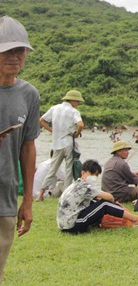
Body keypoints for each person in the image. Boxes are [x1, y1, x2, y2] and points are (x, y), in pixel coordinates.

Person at [0, 16, 39, 282]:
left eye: (20, 50)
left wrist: (27, 201)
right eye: (6, 50)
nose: (14, 57)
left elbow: (28, 148)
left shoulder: (29, 95)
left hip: (6, 198)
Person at [57, 159, 138, 233]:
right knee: (104, 205)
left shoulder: (76, 184)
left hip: (64, 225)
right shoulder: (85, 187)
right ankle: (135, 219)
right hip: (72, 226)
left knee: (96, 202)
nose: (94, 178)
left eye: (96, 175)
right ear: (83, 173)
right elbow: (110, 197)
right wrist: (112, 202)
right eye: (92, 174)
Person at [37, 89, 84, 200]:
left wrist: (51, 130)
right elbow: (81, 125)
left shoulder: (55, 108)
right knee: (68, 171)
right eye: (77, 102)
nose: (78, 104)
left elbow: (41, 120)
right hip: (68, 143)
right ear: (73, 100)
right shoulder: (74, 111)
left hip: (56, 144)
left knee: (52, 169)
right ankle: (65, 196)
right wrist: (76, 134)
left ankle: (40, 194)